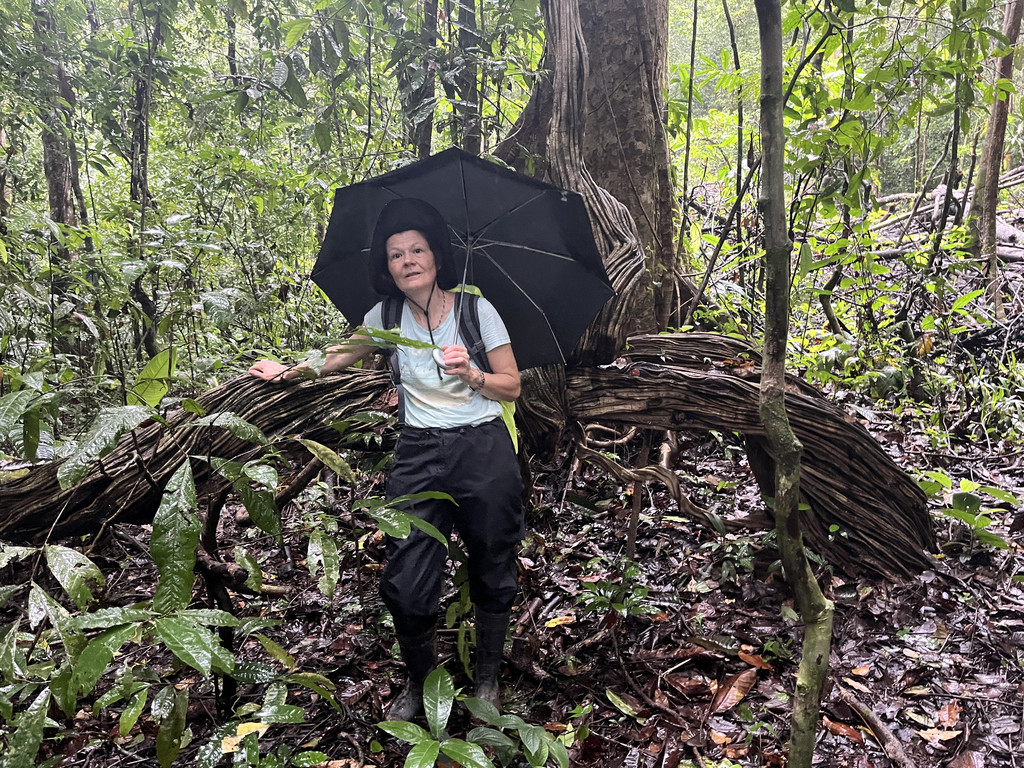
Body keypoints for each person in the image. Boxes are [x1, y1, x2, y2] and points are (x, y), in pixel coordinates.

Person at [249, 198, 524, 721]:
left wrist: (474, 376)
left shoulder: (475, 310)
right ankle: (421, 685)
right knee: (406, 578)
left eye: (418, 249)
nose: (408, 260)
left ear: (437, 257)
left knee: (493, 559)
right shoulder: (386, 316)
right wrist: (287, 371)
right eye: (396, 254)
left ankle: (487, 678)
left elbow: (512, 387)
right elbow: (337, 358)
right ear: (387, 266)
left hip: (483, 448)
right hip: (420, 454)